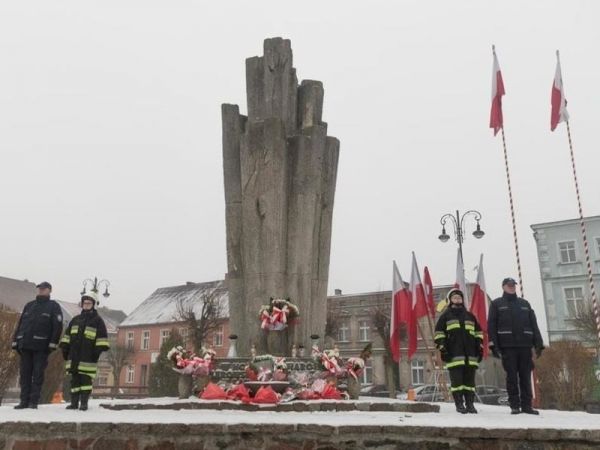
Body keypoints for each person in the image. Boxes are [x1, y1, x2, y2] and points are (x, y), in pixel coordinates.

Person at [488, 277, 544, 415]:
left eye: (513, 285)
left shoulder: (524, 304)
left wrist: (539, 344)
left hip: (525, 346)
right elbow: (491, 326)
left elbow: (533, 324)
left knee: (525, 376)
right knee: (512, 376)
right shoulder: (496, 304)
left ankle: (527, 405)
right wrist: (493, 345)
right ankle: (514, 405)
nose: (512, 287)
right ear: (503, 287)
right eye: (509, 285)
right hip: (508, 347)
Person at [11, 281, 63, 409]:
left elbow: (57, 326)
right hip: (25, 345)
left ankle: (33, 402)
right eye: (39, 288)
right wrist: (16, 340)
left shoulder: (53, 306)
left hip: (41, 346)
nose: (41, 290)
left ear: (49, 290)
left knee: (37, 374)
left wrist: (53, 343)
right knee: (25, 375)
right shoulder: (29, 305)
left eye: (44, 288)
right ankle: (24, 401)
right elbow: (21, 324)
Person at [434, 288, 483, 414]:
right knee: (457, 382)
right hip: (453, 356)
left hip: (470, 356)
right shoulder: (445, 316)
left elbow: (478, 333)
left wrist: (480, 347)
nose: (457, 299)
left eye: (459, 297)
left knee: (470, 383)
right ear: (450, 300)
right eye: (455, 297)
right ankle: (459, 404)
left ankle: (470, 404)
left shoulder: (470, 316)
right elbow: (439, 334)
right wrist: (443, 349)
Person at [59, 291, 110, 411]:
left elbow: (102, 340)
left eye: (89, 303)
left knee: (85, 380)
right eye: (84, 303)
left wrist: (95, 353)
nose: (86, 305)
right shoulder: (75, 320)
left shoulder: (98, 321)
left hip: (88, 358)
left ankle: (84, 403)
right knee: (74, 380)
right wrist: (65, 349)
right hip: (74, 357)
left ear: (94, 304)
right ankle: (74, 403)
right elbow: (67, 337)